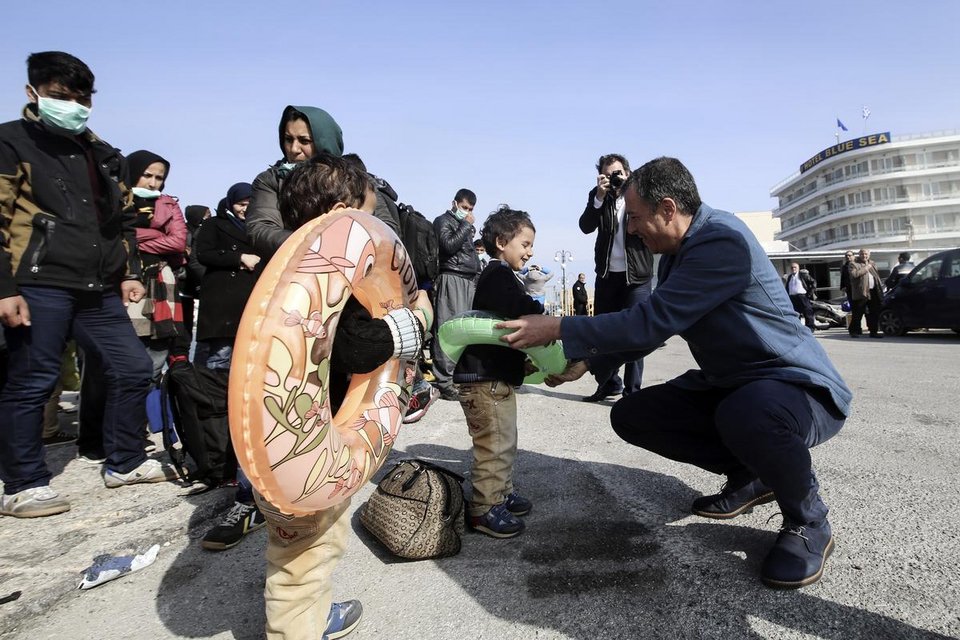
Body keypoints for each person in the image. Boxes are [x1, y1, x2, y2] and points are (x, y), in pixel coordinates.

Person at [499, 157, 852, 590]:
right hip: (734, 384)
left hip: (796, 387)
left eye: (636, 218)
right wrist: (588, 363)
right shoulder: (675, 255)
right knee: (633, 415)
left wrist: (557, 327)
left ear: (668, 208)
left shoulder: (722, 241)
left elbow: (653, 319)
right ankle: (752, 474)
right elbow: (652, 329)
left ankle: (808, 519)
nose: (631, 229)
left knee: (749, 414)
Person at [251, 154, 430, 640]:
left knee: (292, 551)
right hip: (308, 449)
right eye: (368, 214)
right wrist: (408, 325)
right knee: (307, 555)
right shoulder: (334, 287)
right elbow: (355, 347)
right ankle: (298, 629)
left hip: (270, 446)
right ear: (339, 214)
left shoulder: (279, 273)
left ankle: (305, 614)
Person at [0, 52, 176, 517]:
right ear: (33, 92)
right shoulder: (12, 141)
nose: (73, 106)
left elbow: (120, 220)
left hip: (98, 287)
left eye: (81, 98)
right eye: (61, 96)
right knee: (33, 380)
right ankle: (23, 482)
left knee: (134, 367)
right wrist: (4, 287)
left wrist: (128, 273)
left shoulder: (100, 153)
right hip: (38, 280)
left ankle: (125, 461)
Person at [454, 206, 542, 538]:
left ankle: (500, 495)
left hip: (493, 379)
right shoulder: (497, 275)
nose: (530, 251)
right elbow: (519, 309)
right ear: (502, 242)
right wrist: (536, 304)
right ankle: (483, 508)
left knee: (505, 441)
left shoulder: (502, 276)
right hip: (484, 380)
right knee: (494, 445)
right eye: (525, 244)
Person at [578, 153, 654, 402]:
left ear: (628, 173)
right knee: (602, 333)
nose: (614, 177)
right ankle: (609, 384)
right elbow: (586, 226)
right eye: (608, 174)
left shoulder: (641, 194)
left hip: (637, 275)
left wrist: (631, 191)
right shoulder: (599, 196)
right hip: (608, 274)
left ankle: (633, 392)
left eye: (618, 173)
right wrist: (599, 197)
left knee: (636, 332)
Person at [246, 105, 344, 259]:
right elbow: (261, 229)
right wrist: (313, 246)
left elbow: (383, 226)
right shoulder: (272, 180)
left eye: (304, 141)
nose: (294, 149)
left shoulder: (353, 178)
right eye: (288, 139)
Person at [431, 188, 481, 401]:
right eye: (464, 208)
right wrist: (466, 225)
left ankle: (457, 376)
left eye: (470, 209)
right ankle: (444, 381)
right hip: (452, 277)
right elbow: (448, 245)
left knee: (463, 330)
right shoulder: (443, 221)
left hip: (468, 280)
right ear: (454, 203)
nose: (467, 212)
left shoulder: (464, 226)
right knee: (448, 327)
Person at [848, 248, 885, 339]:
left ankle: (873, 331)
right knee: (858, 313)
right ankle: (854, 331)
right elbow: (854, 275)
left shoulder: (872, 263)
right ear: (859, 255)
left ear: (869, 255)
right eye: (862, 254)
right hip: (861, 292)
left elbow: (876, 277)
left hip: (873, 291)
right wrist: (866, 267)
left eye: (866, 254)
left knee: (874, 313)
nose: (864, 256)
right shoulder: (854, 264)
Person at [784, 262, 817, 331]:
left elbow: (813, 282)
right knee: (795, 313)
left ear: (798, 268)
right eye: (792, 267)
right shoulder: (790, 277)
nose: (793, 269)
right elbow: (787, 287)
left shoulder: (803, 275)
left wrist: (809, 294)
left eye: (795, 267)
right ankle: (797, 328)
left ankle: (810, 328)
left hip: (802, 296)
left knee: (807, 312)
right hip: (793, 297)